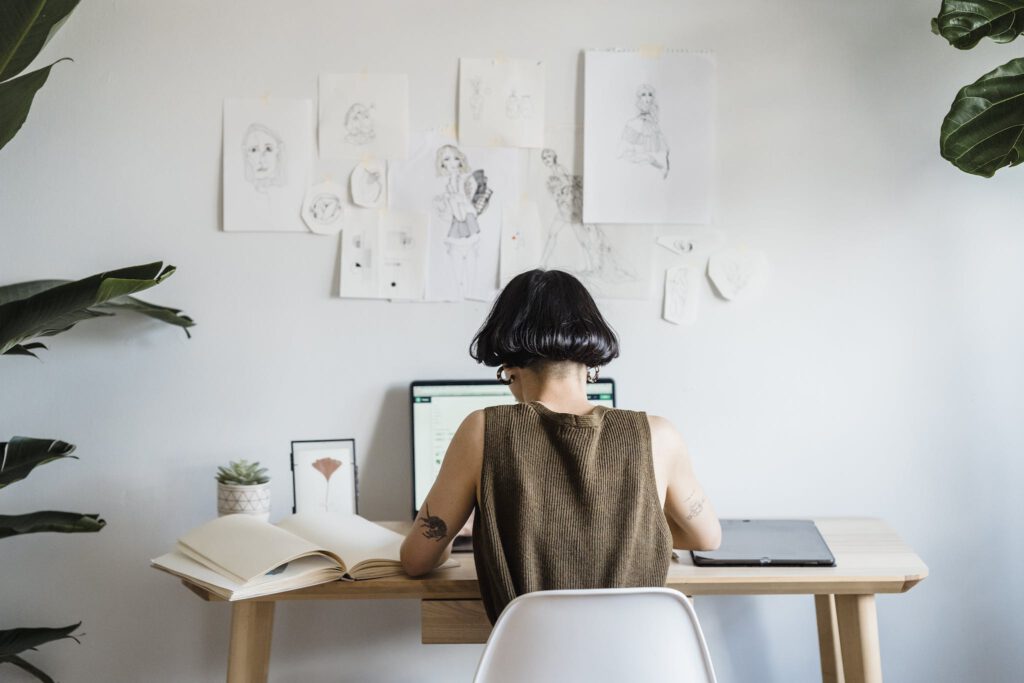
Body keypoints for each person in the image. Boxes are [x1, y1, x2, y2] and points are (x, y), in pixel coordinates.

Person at [401, 269, 721, 624]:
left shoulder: (482, 429)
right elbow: (706, 537)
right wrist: (626, 530)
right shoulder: (659, 435)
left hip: (527, 669)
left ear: (509, 369)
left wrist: (467, 529)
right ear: (591, 365)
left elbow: (416, 561)